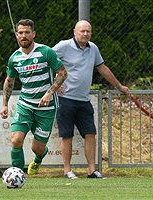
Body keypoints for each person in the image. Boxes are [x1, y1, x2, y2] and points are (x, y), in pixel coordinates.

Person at [53, 20, 129, 179]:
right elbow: (47, 61)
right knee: (67, 135)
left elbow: (103, 69)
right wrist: (53, 85)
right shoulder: (63, 46)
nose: (85, 34)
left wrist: (119, 87)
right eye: (82, 31)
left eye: (88, 31)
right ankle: (67, 171)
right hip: (65, 99)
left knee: (90, 134)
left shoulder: (93, 48)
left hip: (84, 100)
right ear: (74, 31)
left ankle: (92, 171)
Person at [0, 19, 68, 175]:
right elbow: (9, 81)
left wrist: (49, 93)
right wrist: (4, 104)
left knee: (36, 148)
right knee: (16, 139)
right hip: (25, 105)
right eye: (21, 33)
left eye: (27, 32)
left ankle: (38, 159)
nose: (24, 36)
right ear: (17, 35)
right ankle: (16, 174)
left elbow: (63, 73)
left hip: (46, 108)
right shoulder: (14, 58)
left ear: (33, 34)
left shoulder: (46, 52)